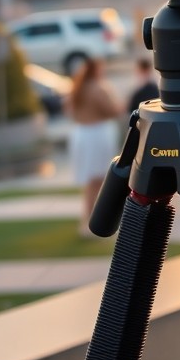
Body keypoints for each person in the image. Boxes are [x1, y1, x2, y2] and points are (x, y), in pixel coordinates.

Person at [65, 55, 122, 235]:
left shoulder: (77, 88)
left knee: (91, 181)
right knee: (96, 180)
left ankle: (88, 219)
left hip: (82, 133)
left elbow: (69, 110)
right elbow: (113, 110)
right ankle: (91, 221)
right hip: (96, 134)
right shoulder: (97, 88)